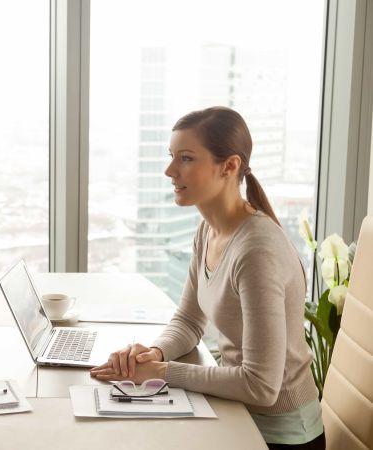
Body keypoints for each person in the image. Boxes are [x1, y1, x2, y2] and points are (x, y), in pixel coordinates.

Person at [90, 106, 324, 450]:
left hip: (280, 434)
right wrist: (153, 354)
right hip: (238, 412)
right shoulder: (209, 230)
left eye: (185, 159)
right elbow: (187, 321)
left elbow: (261, 385)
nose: (170, 171)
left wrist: (162, 373)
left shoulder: (257, 251)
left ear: (229, 166)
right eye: (172, 157)